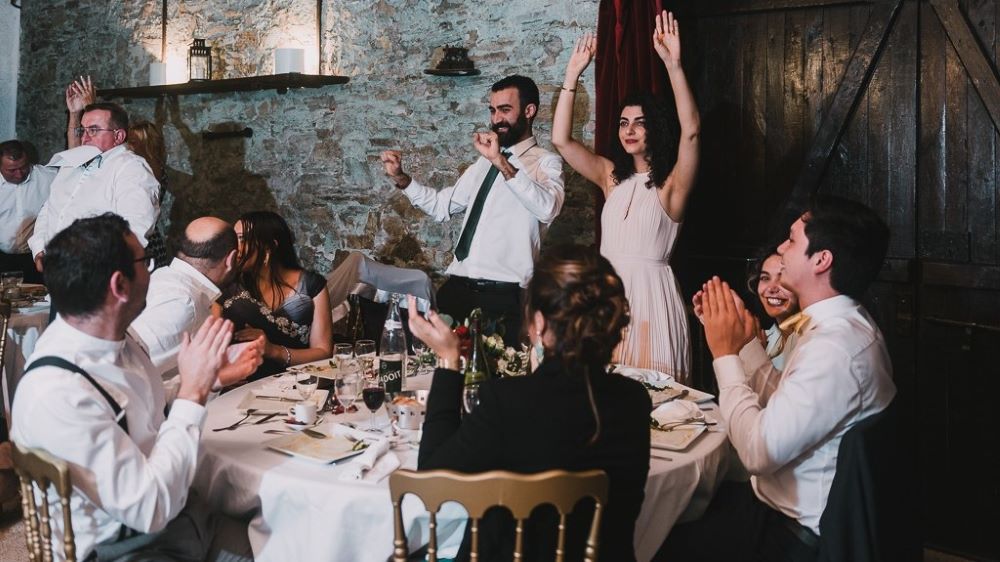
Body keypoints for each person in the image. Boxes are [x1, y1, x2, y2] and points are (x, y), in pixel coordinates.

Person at [659, 196, 896, 562]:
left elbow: (757, 452)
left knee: (657, 540)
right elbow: (783, 401)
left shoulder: (835, 348)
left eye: (792, 240)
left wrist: (723, 354)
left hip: (793, 536)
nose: (782, 249)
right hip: (773, 510)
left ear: (821, 259)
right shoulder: (838, 325)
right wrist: (745, 344)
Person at [10, 213, 253, 561]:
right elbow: (150, 509)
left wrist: (210, 378)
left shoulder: (123, 341)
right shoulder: (59, 392)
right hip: (127, 547)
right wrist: (193, 394)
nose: (153, 274)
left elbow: (143, 409)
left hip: (178, 514)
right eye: (145, 263)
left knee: (285, 535)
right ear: (119, 286)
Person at [409, 244, 651, 562]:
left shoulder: (506, 402)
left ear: (539, 322)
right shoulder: (634, 401)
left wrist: (448, 360)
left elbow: (431, 475)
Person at [552, 12, 699, 382]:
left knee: (657, 403)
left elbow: (692, 131)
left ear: (657, 127)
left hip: (653, 300)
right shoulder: (609, 177)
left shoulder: (672, 184)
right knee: (604, 395)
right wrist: (572, 75)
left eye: (639, 122)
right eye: (622, 122)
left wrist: (674, 65)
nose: (628, 130)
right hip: (607, 297)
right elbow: (561, 141)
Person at [380, 75, 565, 346]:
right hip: (457, 288)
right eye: (492, 110)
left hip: (503, 296)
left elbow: (547, 209)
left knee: (493, 383)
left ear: (529, 111)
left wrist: (500, 161)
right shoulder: (482, 164)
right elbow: (442, 206)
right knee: (436, 369)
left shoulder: (547, 163)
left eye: (505, 110)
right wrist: (401, 178)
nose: (496, 119)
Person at [28, 102, 160, 276]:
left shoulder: (131, 169)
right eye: (83, 130)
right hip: (57, 273)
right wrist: (39, 251)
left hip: (96, 276)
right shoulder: (72, 163)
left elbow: (135, 229)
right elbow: (49, 209)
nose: (85, 137)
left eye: (94, 130)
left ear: (118, 136)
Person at [131, 216, 264, 381]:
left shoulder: (164, 276)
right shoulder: (183, 304)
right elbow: (133, 376)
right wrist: (215, 378)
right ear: (231, 259)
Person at [219, 210, 333, 379]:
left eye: (242, 239)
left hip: (297, 384)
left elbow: (323, 352)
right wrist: (223, 376)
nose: (235, 247)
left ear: (269, 246)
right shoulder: (227, 285)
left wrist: (274, 350)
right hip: (242, 386)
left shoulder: (311, 286)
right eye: (234, 239)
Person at [0, 140, 54, 284]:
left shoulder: (49, 177)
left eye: (23, 168)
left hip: (37, 257)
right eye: (11, 170)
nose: (19, 174)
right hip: (2, 258)